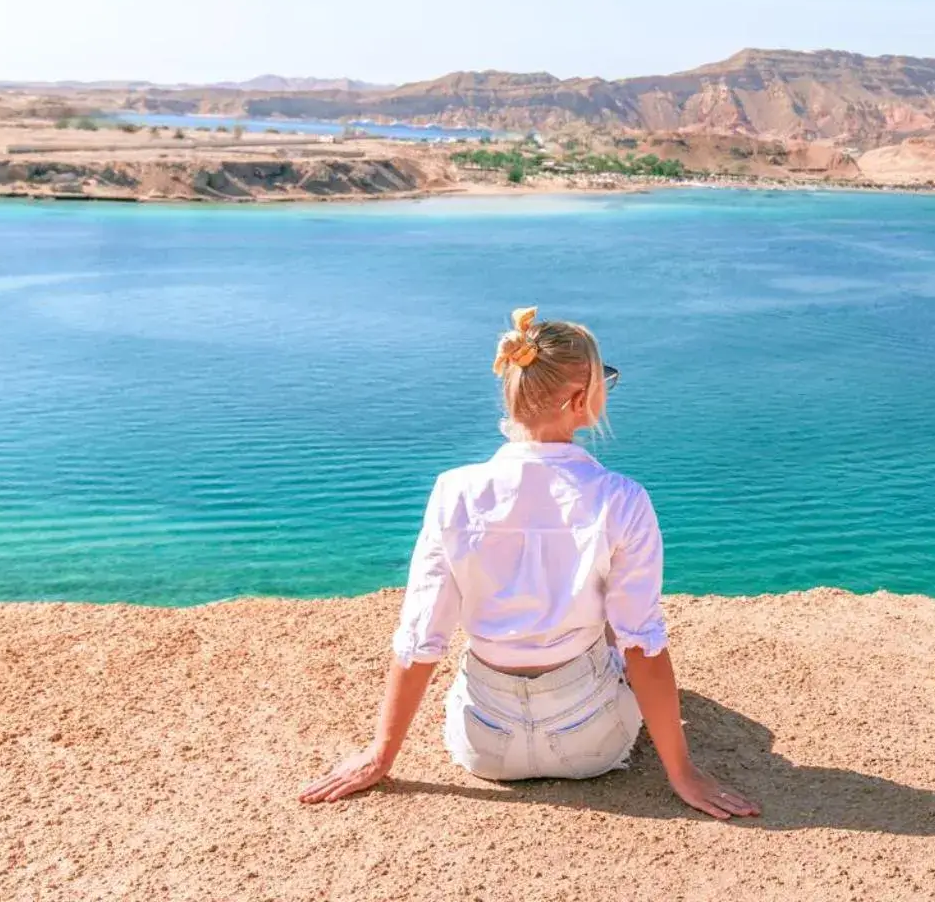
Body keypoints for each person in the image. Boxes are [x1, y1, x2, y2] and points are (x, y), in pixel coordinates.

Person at [300, 307, 758, 821]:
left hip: (486, 750)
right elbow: (642, 643)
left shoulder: (455, 492)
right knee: (611, 623)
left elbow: (421, 634)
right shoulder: (621, 499)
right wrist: (683, 773)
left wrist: (380, 756)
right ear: (580, 400)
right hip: (593, 746)